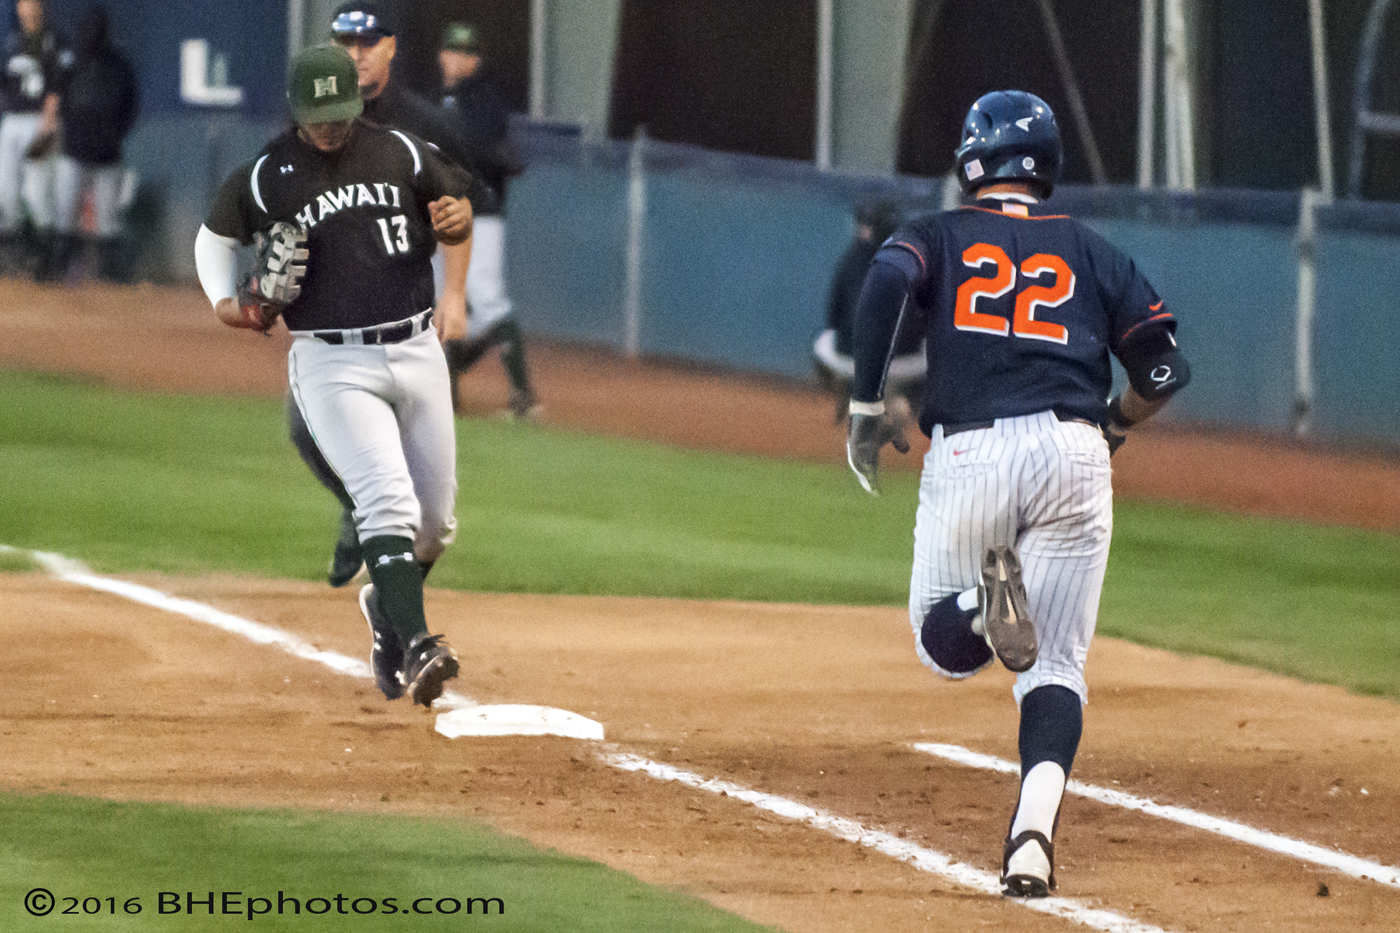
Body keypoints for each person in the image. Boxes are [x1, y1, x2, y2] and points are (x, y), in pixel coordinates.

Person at [845, 90, 1190, 897]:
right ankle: (1031, 840)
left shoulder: (938, 231)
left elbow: (884, 281)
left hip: (974, 448)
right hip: (1076, 450)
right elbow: (1165, 369)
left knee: (940, 643)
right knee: (1056, 666)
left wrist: (864, 405)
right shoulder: (1092, 248)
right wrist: (1115, 422)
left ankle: (979, 606)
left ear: (974, 160)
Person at [193, 44, 476, 707]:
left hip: (418, 348)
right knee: (387, 501)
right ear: (296, 109)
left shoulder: (399, 152)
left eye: (341, 113)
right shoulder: (268, 175)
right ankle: (418, 645)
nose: (330, 126)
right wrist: (226, 304)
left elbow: (456, 205)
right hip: (333, 362)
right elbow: (214, 239)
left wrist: (458, 224)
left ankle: (385, 606)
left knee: (435, 524)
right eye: (319, 116)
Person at [288, 2, 495, 591]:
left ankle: (389, 552)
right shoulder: (312, 117)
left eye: (368, 43)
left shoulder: (426, 125)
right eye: (345, 43)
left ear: (392, 48)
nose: (356, 54)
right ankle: (360, 504)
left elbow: (457, 209)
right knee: (305, 428)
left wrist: (454, 295)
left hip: (406, 308)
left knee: (423, 477)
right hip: (332, 310)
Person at [437, 22, 538, 420]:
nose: (457, 58)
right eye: (452, 50)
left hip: (482, 214)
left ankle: (524, 397)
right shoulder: (438, 99)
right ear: (441, 55)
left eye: (466, 52)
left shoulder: (485, 102)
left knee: (486, 298)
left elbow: (478, 148)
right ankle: (448, 396)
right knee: (444, 300)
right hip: (443, 214)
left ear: (476, 60)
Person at [40, 4, 138, 283]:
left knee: (107, 220)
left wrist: (116, 133)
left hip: (108, 155)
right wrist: (53, 131)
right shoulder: (71, 63)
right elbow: (55, 98)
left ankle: (108, 278)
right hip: (74, 151)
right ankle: (60, 272)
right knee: (65, 215)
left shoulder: (119, 66)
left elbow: (130, 107)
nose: (93, 36)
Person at [812, 199, 923, 425]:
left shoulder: (854, 256)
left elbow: (834, 313)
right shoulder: (914, 259)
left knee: (825, 341)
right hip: (904, 364)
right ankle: (902, 402)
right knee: (929, 347)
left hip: (849, 361)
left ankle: (849, 393)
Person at [0, 0, 67, 269]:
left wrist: (48, 125)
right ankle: (15, 255)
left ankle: (45, 259)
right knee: (6, 188)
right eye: (22, 2)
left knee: (37, 190)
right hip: (11, 121)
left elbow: (57, 86)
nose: (27, 7)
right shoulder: (11, 41)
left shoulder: (53, 40)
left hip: (38, 121)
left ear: (41, 6)